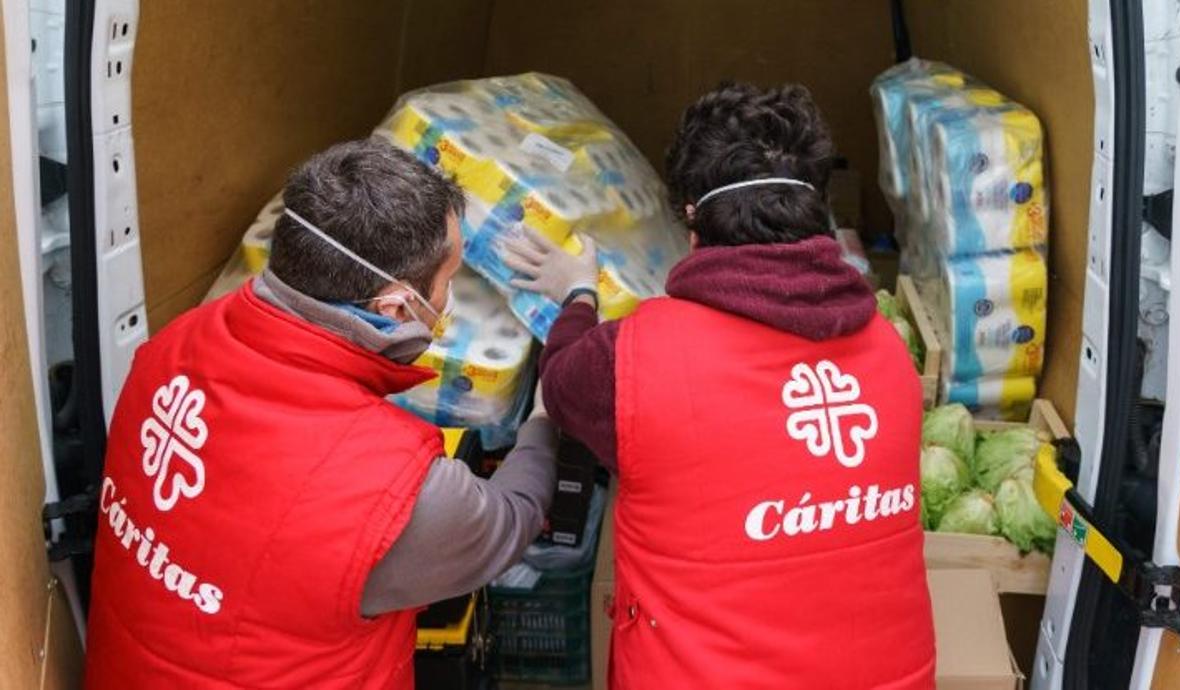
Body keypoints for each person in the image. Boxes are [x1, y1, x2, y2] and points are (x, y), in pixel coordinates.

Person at [84, 139, 559, 689]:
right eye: (447, 281)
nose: (448, 299)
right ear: (395, 307)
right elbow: (511, 518)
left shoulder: (171, 346)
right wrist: (544, 416)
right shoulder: (399, 493)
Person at [504, 83, 935, 689]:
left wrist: (578, 293)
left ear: (692, 222)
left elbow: (562, 384)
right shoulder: (889, 353)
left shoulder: (634, 360)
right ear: (817, 214)